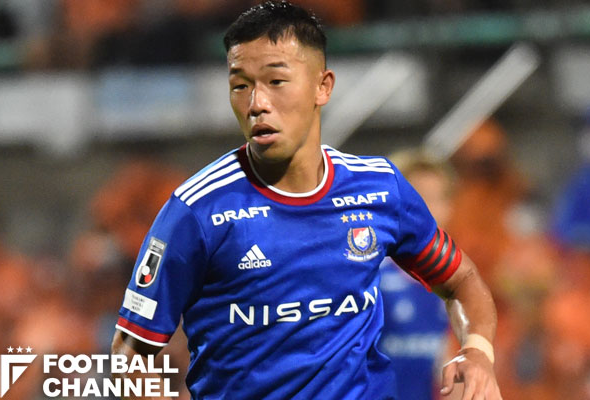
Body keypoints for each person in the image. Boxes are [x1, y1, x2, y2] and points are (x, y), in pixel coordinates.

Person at [111, 2, 501, 399]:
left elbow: (461, 282)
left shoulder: (381, 188)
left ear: (323, 86)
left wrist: (477, 353)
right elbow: (129, 357)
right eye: (240, 85)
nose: (256, 103)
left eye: (276, 81)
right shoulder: (197, 210)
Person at [378, 151, 455, 400]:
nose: (428, 209)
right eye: (420, 197)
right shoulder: (370, 276)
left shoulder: (460, 283)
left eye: (436, 198)